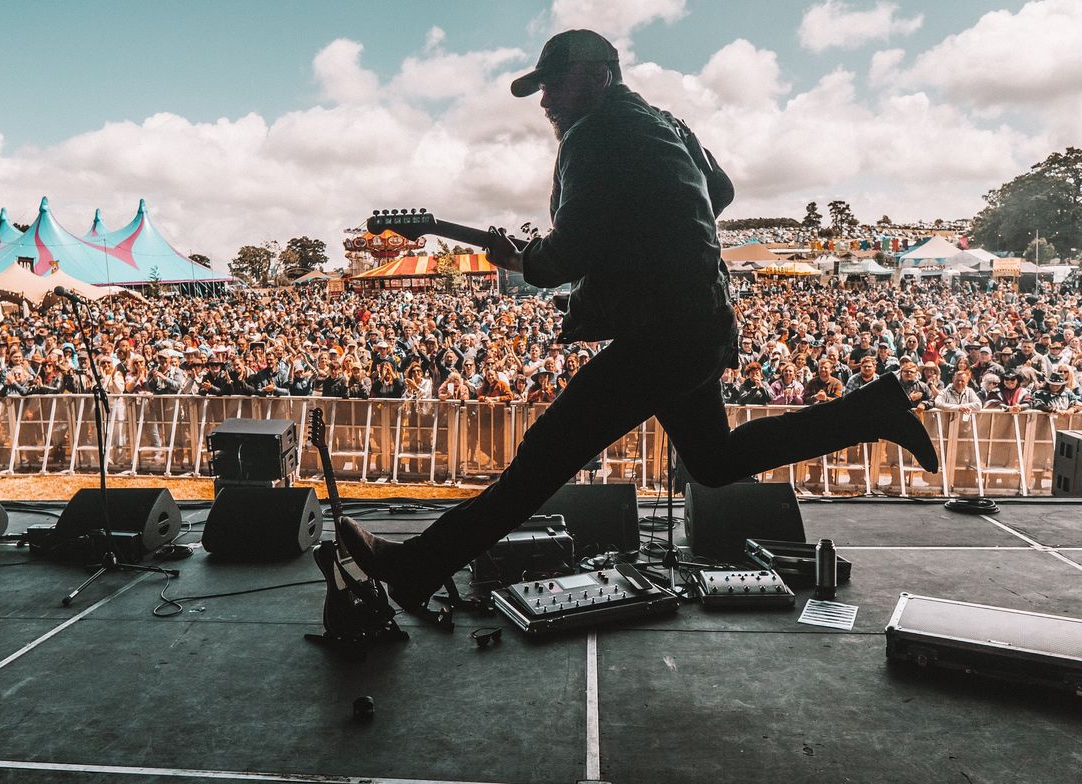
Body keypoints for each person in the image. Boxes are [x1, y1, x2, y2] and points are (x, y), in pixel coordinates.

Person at [337, 29, 937, 624]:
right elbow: (720, 189)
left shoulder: (593, 135)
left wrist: (527, 258)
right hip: (697, 322)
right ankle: (874, 409)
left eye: (554, 84)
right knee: (715, 459)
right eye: (540, 88)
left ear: (599, 75)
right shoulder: (668, 124)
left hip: (662, 334)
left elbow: (562, 259)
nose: (545, 100)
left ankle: (418, 564)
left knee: (542, 460)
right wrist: (652, 223)